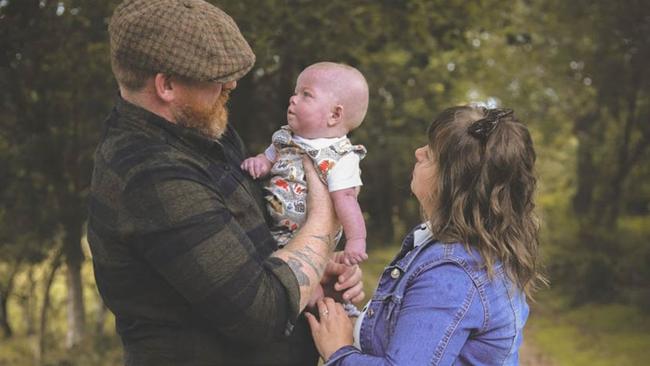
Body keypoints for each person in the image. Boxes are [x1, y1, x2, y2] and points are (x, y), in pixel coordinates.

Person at [87, 1, 364, 365]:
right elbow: (261, 314)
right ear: (166, 85)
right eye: (215, 77)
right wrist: (326, 209)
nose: (231, 84)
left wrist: (314, 269)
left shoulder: (199, 131)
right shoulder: (152, 175)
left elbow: (252, 247)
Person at [306, 106, 547, 365]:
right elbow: (404, 340)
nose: (418, 152)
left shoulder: (453, 273)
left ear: (453, 182)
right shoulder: (446, 248)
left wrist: (339, 354)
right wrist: (339, 308)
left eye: (431, 154)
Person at [241, 62, 369, 265]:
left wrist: (356, 240)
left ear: (334, 115)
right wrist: (259, 163)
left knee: (297, 277)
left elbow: (346, 199)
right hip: (271, 228)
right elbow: (268, 159)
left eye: (306, 95)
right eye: (295, 92)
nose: (293, 99)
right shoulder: (285, 138)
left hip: (308, 238)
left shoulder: (341, 157)